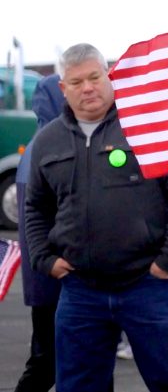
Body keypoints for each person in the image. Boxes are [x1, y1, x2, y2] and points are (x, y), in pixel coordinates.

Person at [25, 43, 168, 391]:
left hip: (149, 285)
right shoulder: (49, 141)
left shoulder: (148, 126)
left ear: (109, 77)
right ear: (63, 88)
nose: (87, 87)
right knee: (78, 386)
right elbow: (36, 206)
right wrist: (44, 258)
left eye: (94, 77)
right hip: (80, 291)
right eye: (76, 82)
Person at [14, 74, 65, 392]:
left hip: (44, 276)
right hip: (56, 276)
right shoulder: (51, 148)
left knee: (51, 360)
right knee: (47, 363)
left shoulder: (37, 145)